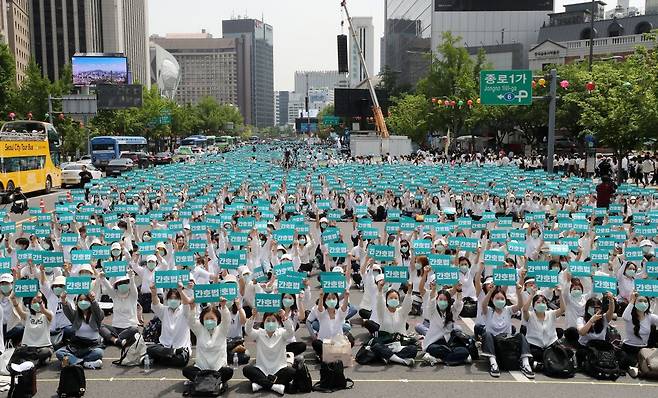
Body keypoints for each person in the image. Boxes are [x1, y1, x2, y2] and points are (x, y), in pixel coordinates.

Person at [481, 282, 534, 378]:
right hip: (494, 343)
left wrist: (518, 292)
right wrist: (490, 292)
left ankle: (526, 364)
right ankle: (493, 364)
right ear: (492, 299)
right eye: (497, 298)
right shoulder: (489, 311)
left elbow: (520, 305)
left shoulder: (508, 310)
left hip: (506, 342)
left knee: (521, 336)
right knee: (487, 335)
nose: (500, 301)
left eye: (502, 299)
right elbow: (483, 305)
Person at [182, 297, 233, 389]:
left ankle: (202, 381)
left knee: (228, 371)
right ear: (202, 319)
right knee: (186, 371)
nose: (209, 320)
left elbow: (227, 320)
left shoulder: (222, 329)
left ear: (217, 319)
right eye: (207, 318)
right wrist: (192, 308)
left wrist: (223, 307)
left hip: (218, 368)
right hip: (202, 368)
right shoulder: (199, 329)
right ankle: (215, 382)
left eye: (212, 318)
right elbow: (191, 321)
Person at [243, 308, 296, 395]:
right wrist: (253, 316)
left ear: (278, 323)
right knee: (247, 369)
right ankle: (274, 386)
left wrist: (284, 317)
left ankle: (261, 384)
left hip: (279, 370)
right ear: (264, 322)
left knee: (291, 371)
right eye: (268, 320)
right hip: (262, 369)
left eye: (273, 320)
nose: (271, 323)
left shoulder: (282, 333)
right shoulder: (259, 333)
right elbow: (248, 330)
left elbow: (291, 332)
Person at [369, 279, 417, 366]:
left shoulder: (401, 312)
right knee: (376, 347)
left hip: (399, 345)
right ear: (386, 300)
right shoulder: (382, 312)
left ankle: (388, 357)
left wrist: (409, 291)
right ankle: (402, 360)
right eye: (391, 298)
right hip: (385, 344)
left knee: (413, 349)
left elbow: (407, 304)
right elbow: (380, 302)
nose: (393, 300)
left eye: (395, 298)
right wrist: (380, 290)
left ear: (399, 300)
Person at [421, 284, 470, 366]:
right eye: (440, 299)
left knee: (465, 351)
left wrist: (459, 290)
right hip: (434, 343)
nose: (443, 302)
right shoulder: (432, 311)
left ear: (449, 301)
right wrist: (433, 290)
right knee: (436, 349)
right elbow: (431, 303)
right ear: (437, 300)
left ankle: (438, 359)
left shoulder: (451, 312)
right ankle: (455, 358)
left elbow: (459, 304)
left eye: (445, 300)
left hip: (448, 343)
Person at [55, 291, 105, 369]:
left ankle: (74, 361)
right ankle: (85, 363)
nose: (83, 302)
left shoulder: (95, 315)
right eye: (80, 300)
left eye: (85, 300)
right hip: (77, 346)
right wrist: (63, 299)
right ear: (77, 302)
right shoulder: (75, 315)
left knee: (99, 353)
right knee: (59, 352)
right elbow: (67, 310)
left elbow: (100, 314)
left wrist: (93, 300)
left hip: (92, 346)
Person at [145, 284, 190, 367]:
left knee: (181, 360)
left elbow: (187, 304)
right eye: (171, 298)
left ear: (180, 300)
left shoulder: (184, 311)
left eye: (176, 298)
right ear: (167, 299)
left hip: (181, 348)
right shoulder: (164, 310)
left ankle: (160, 359)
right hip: (164, 346)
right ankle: (171, 353)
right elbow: (156, 305)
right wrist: (154, 293)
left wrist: (180, 291)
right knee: (149, 349)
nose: (173, 300)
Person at [522, 290, 566, 368]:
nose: (541, 304)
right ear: (534, 305)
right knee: (528, 357)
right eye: (538, 302)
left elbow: (562, 310)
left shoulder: (551, 314)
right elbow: (525, 309)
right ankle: (541, 364)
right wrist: (532, 294)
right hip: (535, 346)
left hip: (550, 346)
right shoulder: (530, 315)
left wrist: (560, 294)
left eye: (543, 302)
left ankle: (544, 364)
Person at [9, 291, 53, 366]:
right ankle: (35, 361)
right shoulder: (27, 315)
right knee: (19, 351)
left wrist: (41, 305)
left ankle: (31, 361)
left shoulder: (47, 315)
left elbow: (45, 311)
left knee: (46, 351)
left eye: (38, 302)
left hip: (43, 347)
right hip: (28, 348)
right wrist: (13, 298)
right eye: (34, 301)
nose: (36, 304)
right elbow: (17, 307)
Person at [620, 292, 658, 377]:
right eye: (640, 301)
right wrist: (632, 300)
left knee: (648, 364)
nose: (643, 303)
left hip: (643, 350)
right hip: (629, 348)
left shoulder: (650, 316)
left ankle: (638, 368)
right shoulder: (629, 316)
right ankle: (636, 367)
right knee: (625, 360)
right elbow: (624, 317)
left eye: (645, 301)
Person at [97, 272, 139, 348]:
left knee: (134, 329)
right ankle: (117, 341)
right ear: (117, 285)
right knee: (99, 325)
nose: (122, 284)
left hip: (129, 327)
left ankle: (111, 339)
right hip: (116, 328)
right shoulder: (114, 295)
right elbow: (108, 286)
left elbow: (133, 286)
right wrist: (103, 278)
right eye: (120, 283)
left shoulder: (133, 295)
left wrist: (131, 277)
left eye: (125, 282)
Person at [311, 289, 351, 360]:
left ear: (337, 300)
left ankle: (328, 355)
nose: (331, 300)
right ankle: (326, 355)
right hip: (324, 342)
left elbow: (344, 309)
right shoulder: (322, 313)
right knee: (316, 343)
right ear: (325, 301)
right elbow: (319, 309)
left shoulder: (339, 312)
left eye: (333, 298)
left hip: (337, 342)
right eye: (328, 298)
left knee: (351, 339)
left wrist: (346, 296)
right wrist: (321, 296)